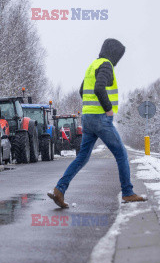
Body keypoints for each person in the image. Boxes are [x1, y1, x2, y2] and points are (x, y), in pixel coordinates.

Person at [48, 38, 146, 208]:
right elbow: (99, 87)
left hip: (88, 118)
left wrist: (90, 108)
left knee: (82, 158)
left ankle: (59, 190)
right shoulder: (106, 65)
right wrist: (108, 109)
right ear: (113, 53)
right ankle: (128, 193)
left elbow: (82, 90)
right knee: (121, 154)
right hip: (101, 118)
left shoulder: (93, 65)